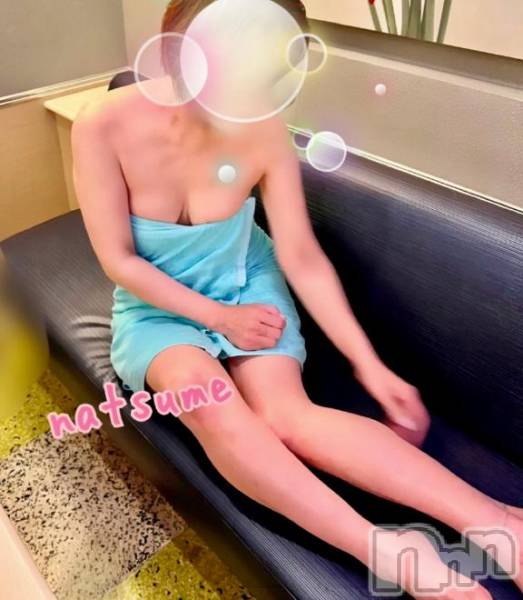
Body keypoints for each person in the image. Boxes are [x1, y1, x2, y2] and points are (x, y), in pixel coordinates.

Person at [72, 1, 522, 597]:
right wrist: (219, 319)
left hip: (244, 281)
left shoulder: (262, 127)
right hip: (157, 305)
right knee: (202, 393)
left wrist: (368, 364)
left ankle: (498, 521)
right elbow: (119, 261)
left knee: (287, 417)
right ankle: (389, 552)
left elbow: (301, 256)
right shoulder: (102, 124)